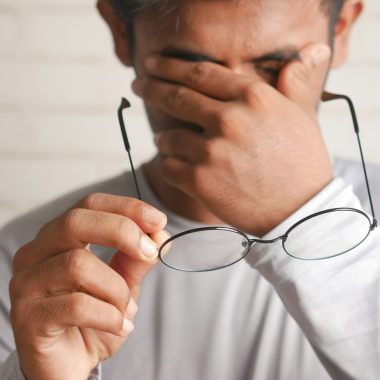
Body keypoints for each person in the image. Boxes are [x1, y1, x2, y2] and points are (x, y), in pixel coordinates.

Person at [0, 0, 379, 378]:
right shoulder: (36, 264)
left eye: (272, 67)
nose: (235, 107)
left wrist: (311, 219)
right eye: (193, 69)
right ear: (120, 32)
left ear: (341, 27)